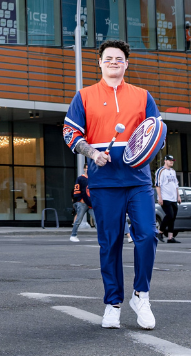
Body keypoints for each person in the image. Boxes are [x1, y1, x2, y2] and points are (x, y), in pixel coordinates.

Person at [64, 39, 159, 330]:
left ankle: (141, 295)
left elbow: (156, 132)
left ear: (126, 64)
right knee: (111, 243)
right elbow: (70, 133)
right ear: (100, 63)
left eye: (119, 59)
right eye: (109, 58)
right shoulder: (84, 96)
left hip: (139, 180)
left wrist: (147, 152)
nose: (114, 62)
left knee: (147, 236)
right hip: (104, 183)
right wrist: (92, 152)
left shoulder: (143, 96)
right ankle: (113, 303)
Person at [155, 155, 180, 244]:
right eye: (170, 160)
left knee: (173, 218)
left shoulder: (173, 171)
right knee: (169, 215)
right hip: (165, 198)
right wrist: (160, 197)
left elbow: (176, 185)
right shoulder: (161, 171)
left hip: (173, 198)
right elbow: (157, 185)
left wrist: (178, 196)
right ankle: (160, 232)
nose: (171, 162)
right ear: (165, 161)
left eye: (172, 160)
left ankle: (170, 237)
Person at [70, 164, 93, 243]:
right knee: (78, 220)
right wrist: (80, 199)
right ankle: (73, 235)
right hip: (82, 203)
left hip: (90, 204)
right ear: (84, 169)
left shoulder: (92, 178)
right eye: (86, 168)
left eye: (89, 168)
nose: (88, 170)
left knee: (97, 220)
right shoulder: (80, 178)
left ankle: (102, 236)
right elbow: (76, 189)